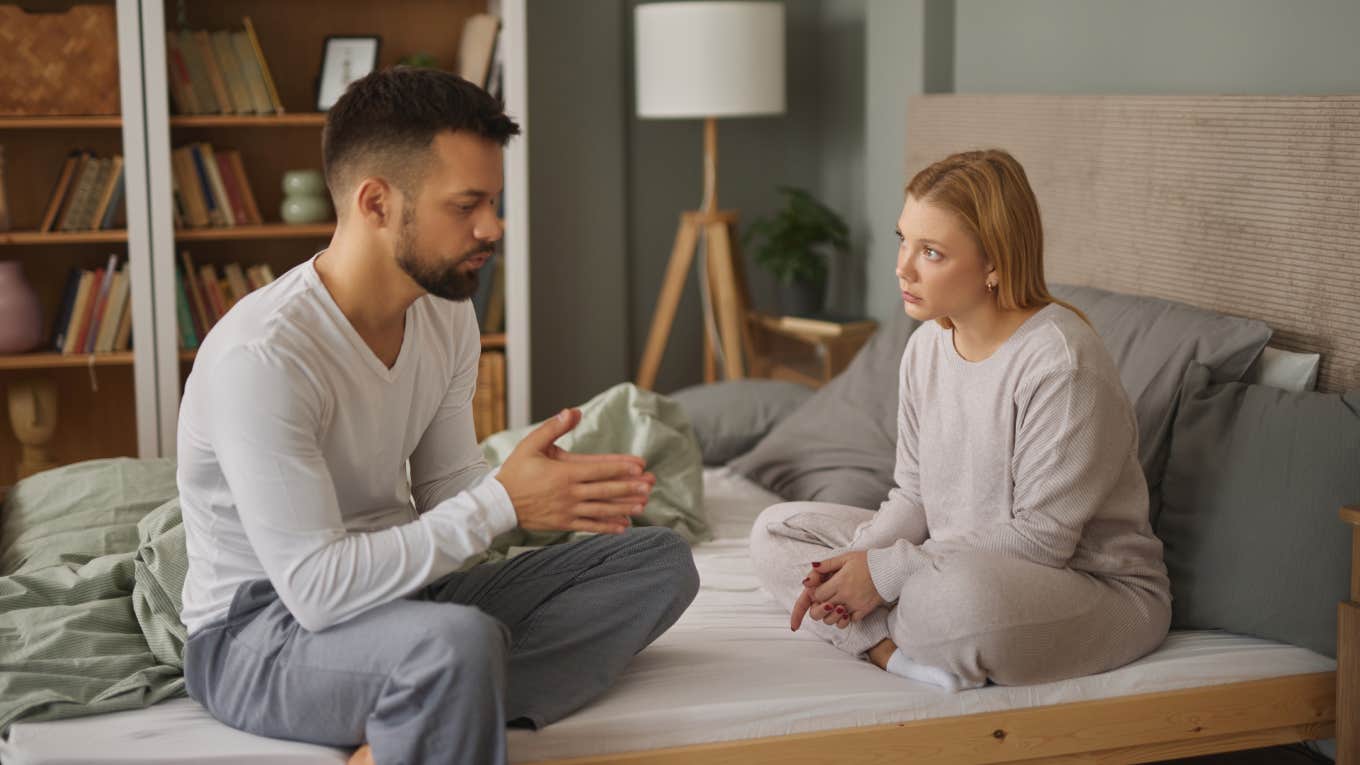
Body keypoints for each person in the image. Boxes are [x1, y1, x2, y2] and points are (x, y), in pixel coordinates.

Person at [176, 67, 699, 765]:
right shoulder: (265, 356)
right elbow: (318, 592)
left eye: (494, 201)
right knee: (457, 644)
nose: (493, 226)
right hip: (260, 629)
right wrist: (500, 502)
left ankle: (421, 705)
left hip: (405, 598)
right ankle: (437, 689)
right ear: (376, 203)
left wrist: (542, 496)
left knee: (660, 562)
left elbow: (452, 494)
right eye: (467, 204)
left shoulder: (447, 310)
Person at [749, 149, 1169, 691]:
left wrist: (884, 574)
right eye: (904, 239)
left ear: (993, 263)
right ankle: (884, 648)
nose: (902, 267)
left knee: (953, 603)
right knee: (775, 533)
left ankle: (891, 628)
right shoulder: (925, 347)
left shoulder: (1063, 364)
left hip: (1085, 586)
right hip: (947, 561)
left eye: (931, 252)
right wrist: (856, 564)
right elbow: (914, 495)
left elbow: (1042, 541)